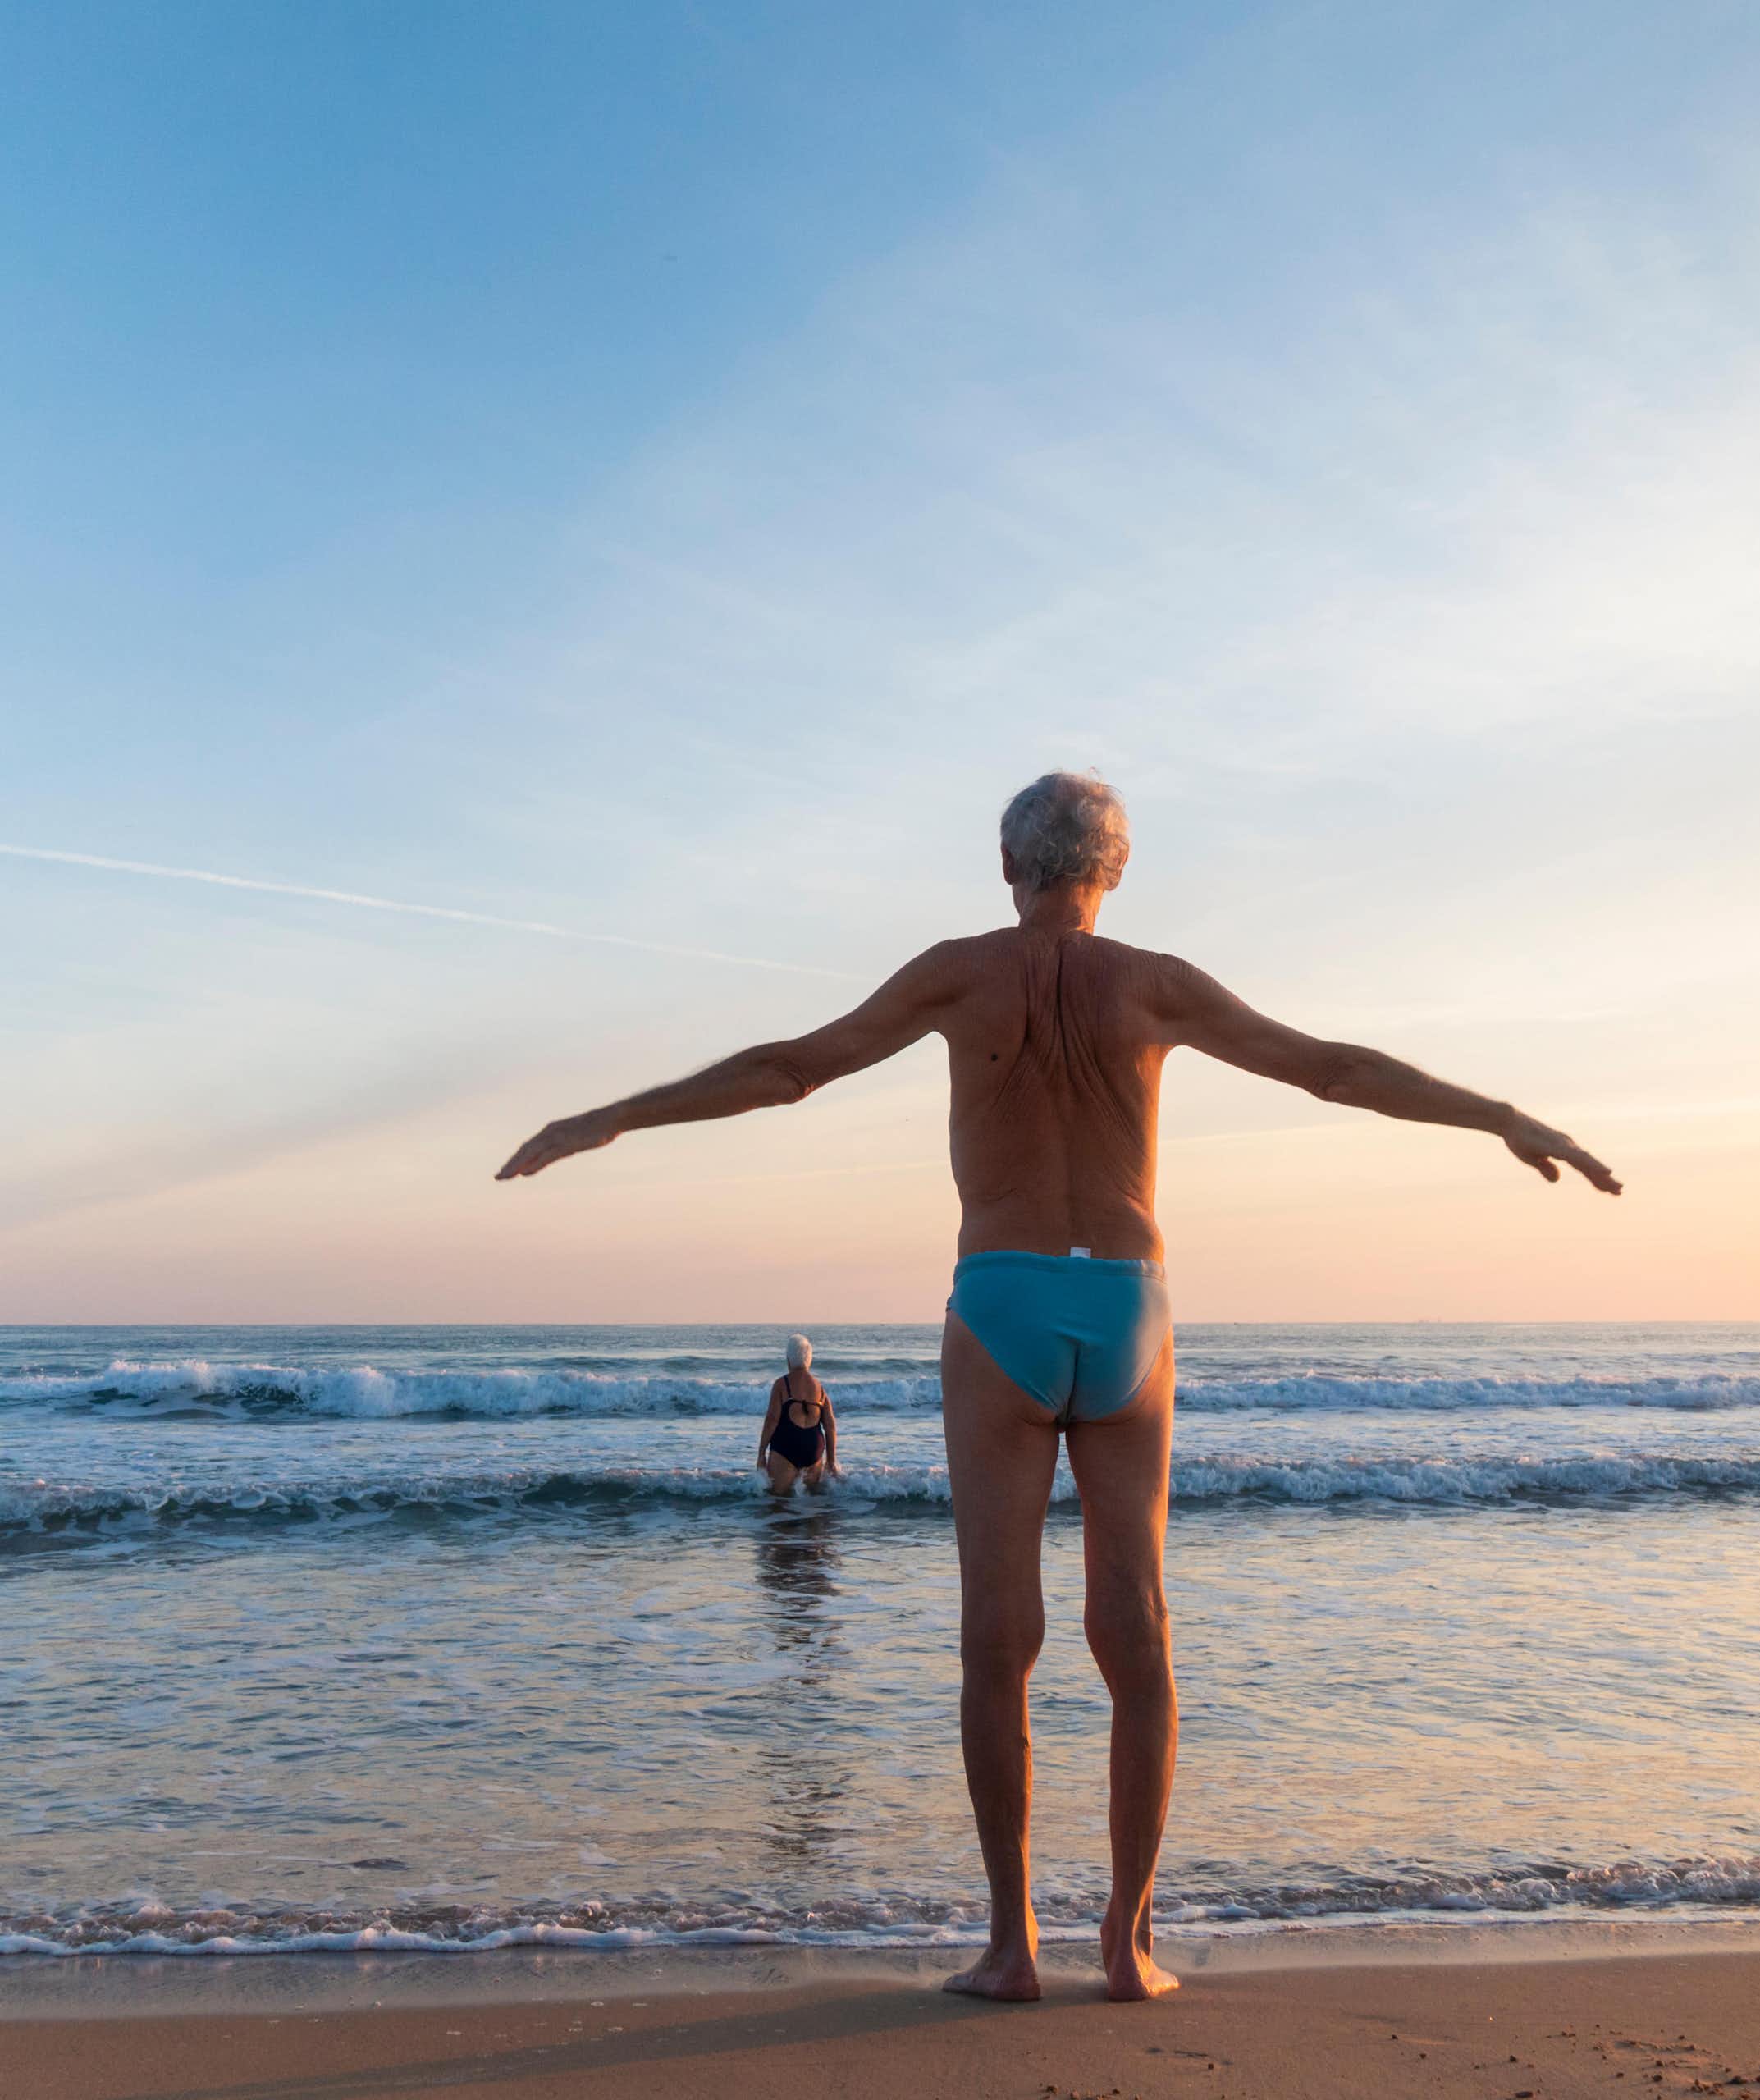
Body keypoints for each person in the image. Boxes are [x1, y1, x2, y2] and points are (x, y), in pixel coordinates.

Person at [496, 770, 1618, 2002]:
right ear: (1116, 869)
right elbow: (1332, 1069)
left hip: (1002, 1302)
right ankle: (1130, 1946)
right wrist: (1503, 1115)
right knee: (1136, 1630)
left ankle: (1011, 1943)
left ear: (1005, 863)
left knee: (1000, 1638)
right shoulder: (1157, 982)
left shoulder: (956, 970)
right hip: (1129, 1302)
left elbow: (788, 1069)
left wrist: (610, 1117)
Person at [758, 1334, 838, 1493]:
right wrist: (831, 1461)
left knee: (778, 1502)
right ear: (809, 1360)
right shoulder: (820, 1389)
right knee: (810, 1506)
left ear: (788, 1360)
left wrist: (761, 1453)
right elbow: (830, 1426)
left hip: (786, 1447)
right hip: (813, 1449)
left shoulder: (782, 1384)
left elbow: (771, 1420)